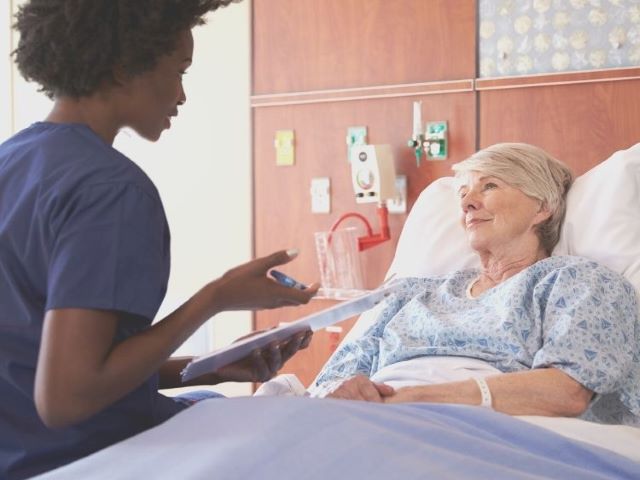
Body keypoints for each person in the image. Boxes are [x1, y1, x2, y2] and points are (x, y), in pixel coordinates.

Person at [0, 1, 318, 478]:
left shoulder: (12, 161)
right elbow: (66, 397)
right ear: (125, 68)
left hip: (17, 450)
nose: (182, 95)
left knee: (212, 399)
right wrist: (215, 298)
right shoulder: (109, 191)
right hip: (79, 457)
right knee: (313, 430)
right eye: (178, 71)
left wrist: (208, 367)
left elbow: (31, 361)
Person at [309, 143, 640, 427]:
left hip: (475, 430)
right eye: (463, 193)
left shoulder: (576, 282)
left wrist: (410, 401)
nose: (467, 203)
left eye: (490, 186)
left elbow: (567, 393)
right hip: (366, 424)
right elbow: (327, 387)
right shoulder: (408, 295)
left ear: (542, 207)